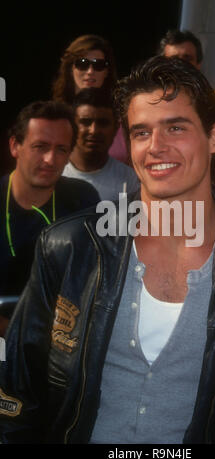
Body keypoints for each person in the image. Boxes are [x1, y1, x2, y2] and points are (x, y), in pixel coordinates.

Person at [0, 56, 215, 444]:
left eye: (175, 127)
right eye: (141, 132)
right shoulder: (70, 248)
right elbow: (18, 398)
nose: (156, 147)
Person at [0, 100, 99, 336]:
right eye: (40, 146)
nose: (50, 160)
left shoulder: (83, 200)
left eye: (61, 149)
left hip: (59, 339)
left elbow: (93, 281)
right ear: (15, 146)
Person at [52, 34, 129, 164]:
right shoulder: (52, 116)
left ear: (107, 71)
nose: (90, 71)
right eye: (82, 63)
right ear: (71, 68)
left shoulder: (124, 117)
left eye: (98, 65)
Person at [62, 88, 139, 201]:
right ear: (72, 126)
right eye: (86, 122)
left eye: (103, 123)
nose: (94, 130)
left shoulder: (129, 179)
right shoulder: (54, 173)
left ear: (116, 128)